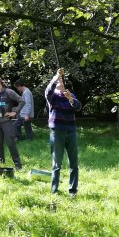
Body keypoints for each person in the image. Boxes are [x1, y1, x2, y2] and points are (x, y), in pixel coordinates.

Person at [45, 68, 82, 196]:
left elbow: (78, 107)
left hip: (71, 132)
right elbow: (48, 91)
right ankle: (54, 190)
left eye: (61, 79)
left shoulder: (70, 95)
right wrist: (56, 76)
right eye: (57, 80)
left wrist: (70, 98)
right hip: (57, 133)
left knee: (74, 163)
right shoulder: (53, 97)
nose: (60, 81)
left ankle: (73, 190)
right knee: (56, 164)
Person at [0, 76, 23, 170]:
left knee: (10, 143)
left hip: (6, 122)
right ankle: (1, 163)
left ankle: (18, 165)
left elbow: (22, 101)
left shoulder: (9, 92)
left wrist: (15, 112)